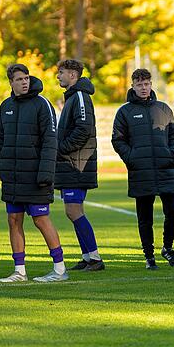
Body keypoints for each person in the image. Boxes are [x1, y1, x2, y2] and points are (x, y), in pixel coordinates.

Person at [0, 63, 67, 283]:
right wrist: (1, 168)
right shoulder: (5, 106)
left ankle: (60, 269)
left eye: (26, 78)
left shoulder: (42, 104)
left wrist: (46, 172)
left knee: (40, 219)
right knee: (14, 219)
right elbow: (1, 139)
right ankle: (20, 271)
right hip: (13, 177)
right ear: (11, 82)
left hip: (36, 176)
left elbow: (50, 141)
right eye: (19, 79)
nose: (25, 82)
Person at [111, 68, 174, 270]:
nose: (144, 88)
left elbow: (173, 134)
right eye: (139, 84)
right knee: (145, 217)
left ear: (151, 85)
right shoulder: (125, 112)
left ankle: (167, 247)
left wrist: (173, 152)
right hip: (141, 171)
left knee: (173, 212)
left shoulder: (163, 109)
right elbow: (118, 140)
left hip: (165, 168)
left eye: (147, 84)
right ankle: (149, 255)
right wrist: (132, 158)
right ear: (132, 86)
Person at [54, 59, 105, 271]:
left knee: (74, 210)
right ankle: (88, 256)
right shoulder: (73, 97)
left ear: (73, 75)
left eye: (61, 72)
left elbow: (84, 128)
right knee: (73, 211)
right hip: (72, 163)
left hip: (77, 164)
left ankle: (95, 258)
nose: (58, 76)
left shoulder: (81, 97)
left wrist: (62, 148)